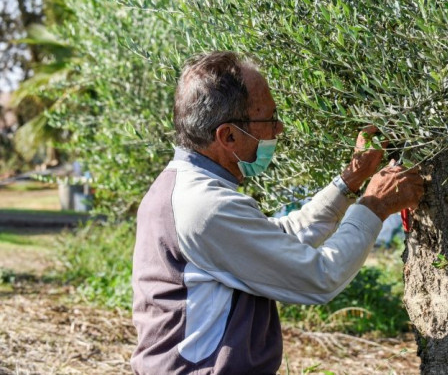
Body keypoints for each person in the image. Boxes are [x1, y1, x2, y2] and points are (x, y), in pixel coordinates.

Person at [131, 51, 424, 374]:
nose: (279, 128)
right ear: (227, 136)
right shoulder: (205, 206)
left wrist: (350, 179)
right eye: (269, 120)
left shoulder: (183, 189)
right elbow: (319, 278)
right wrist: (375, 206)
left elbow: (280, 238)